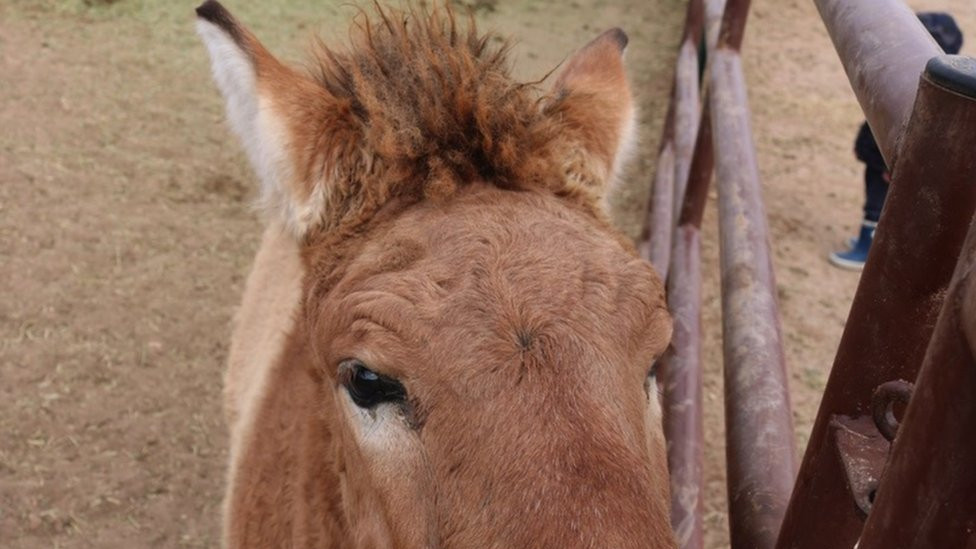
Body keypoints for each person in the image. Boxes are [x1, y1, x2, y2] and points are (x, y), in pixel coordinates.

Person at [829, 12, 964, 270]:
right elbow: (873, 119)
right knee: (879, 199)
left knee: (878, 204)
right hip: (880, 153)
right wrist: (864, 145)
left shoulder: (921, 91)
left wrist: (892, 164)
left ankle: (868, 248)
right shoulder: (907, 82)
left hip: (886, 162)